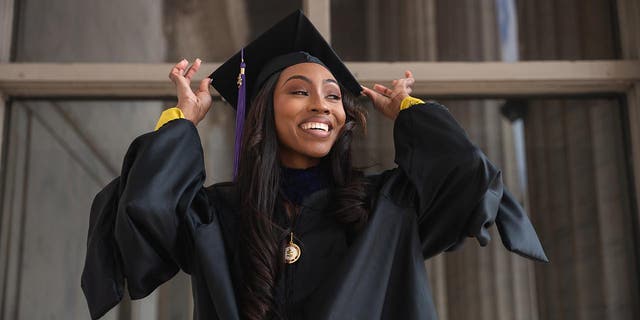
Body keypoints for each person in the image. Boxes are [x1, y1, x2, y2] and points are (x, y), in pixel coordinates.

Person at [81, 10, 547, 320]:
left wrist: (410, 111)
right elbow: (145, 208)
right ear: (264, 109)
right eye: (300, 91)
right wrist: (181, 122)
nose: (323, 106)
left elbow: (468, 179)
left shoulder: (386, 208)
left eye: (332, 96)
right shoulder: (217, 215)